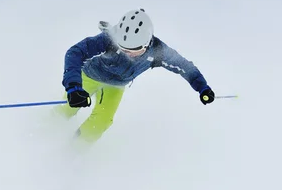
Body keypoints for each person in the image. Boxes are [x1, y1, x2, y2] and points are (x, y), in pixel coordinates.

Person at [55, 8, 215, 143]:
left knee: (102, 121)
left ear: (146, 44)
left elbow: (184, 66)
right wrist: (73, 87)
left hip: (115, 86)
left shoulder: (158, 52)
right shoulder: (109, 39)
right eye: (123, 48)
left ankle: (73, 152)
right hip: (90, 75)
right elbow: (75, 53)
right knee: (69, 106)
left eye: (132, 50)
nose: (126, 53)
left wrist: (202, 87)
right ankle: (45, 127)